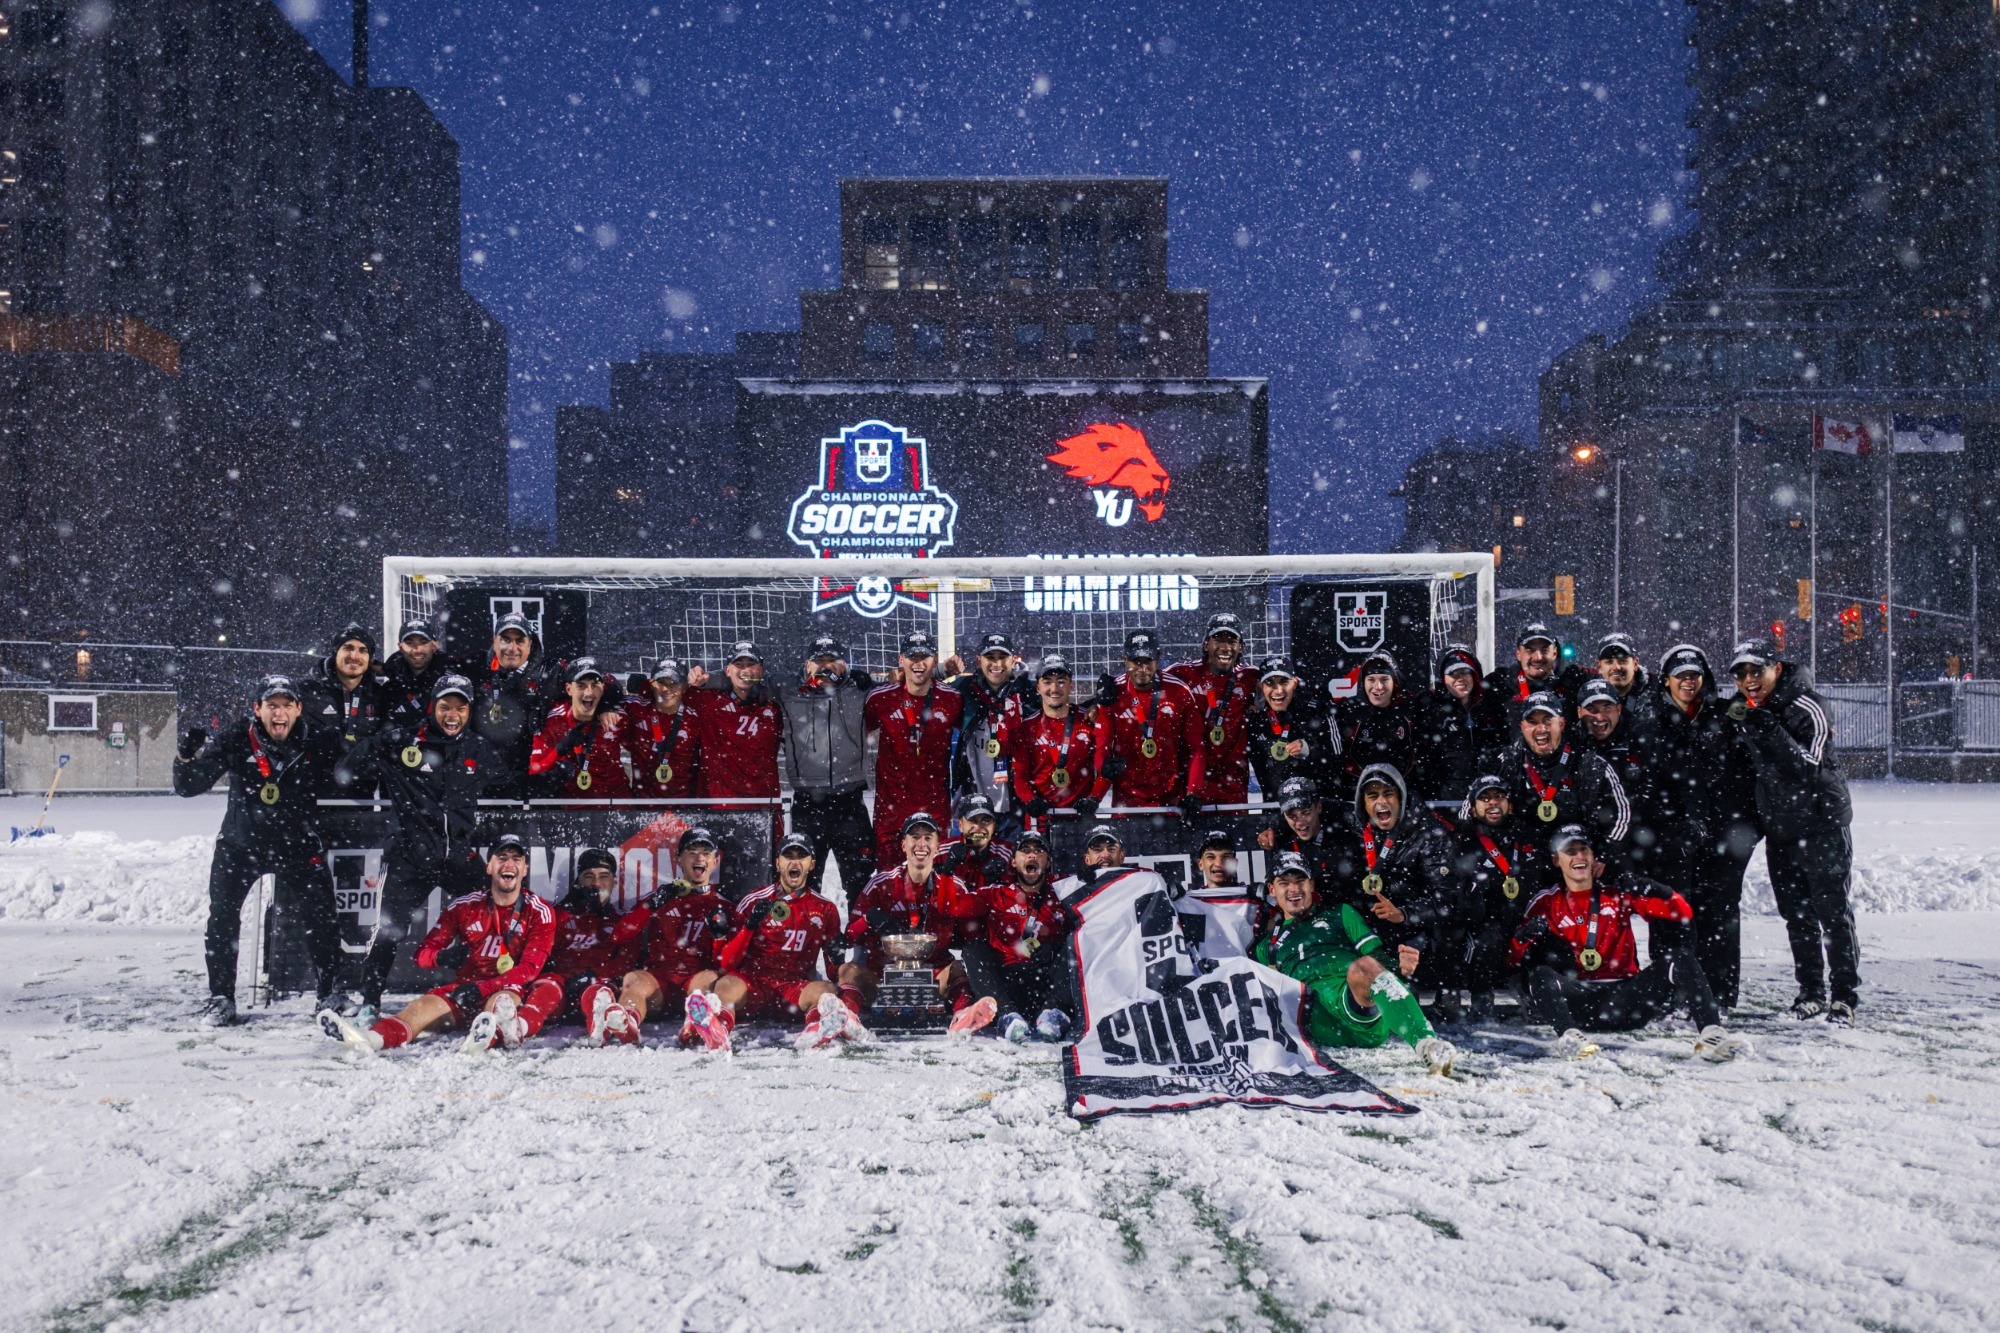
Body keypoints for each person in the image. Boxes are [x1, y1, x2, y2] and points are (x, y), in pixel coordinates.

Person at [176, 673, 340, 1025]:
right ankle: (221, 998)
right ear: (257, 709)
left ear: (298, 709)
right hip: (241, 845)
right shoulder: (237, 737)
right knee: (221, 919)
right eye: (271, 706)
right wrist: (185, 755)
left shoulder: (319, 740)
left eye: (286, 706)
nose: (278, 714)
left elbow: (358, 772)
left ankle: (329, 995)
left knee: (322, 916)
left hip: (296, 845)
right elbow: (188, 786)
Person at [350, 673, 511, 1020]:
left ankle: (504, 990)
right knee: (389, 931)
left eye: (460, 708)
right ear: (432, 708)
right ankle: (369, 1003)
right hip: (411, 858)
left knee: (499, 919)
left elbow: (513, 783)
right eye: (444, 707)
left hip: (458, 857)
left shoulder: (478, 748)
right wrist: (377, 742)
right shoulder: (406, 744)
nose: (452, 715)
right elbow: (347, 769)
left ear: (470, 711)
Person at [1510, 824, 1745, 1061]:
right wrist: (1525, 936)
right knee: (1540, 974)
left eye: (1584, 850)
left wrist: (1657, 889)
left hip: (1628, 998)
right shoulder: (1546, 900)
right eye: (1570, 852)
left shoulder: (1618, 892)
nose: (1579, 857)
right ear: (1556, 860)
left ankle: (1712, 1035)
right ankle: (1569, 1038)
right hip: (1580, 1001)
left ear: (1593, 857)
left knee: (1681, 956)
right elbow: (1512, 958)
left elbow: (1682, 913)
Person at [318, 834, 558, 1056]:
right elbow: (422, 954)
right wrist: (443, 957)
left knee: (500, 1006)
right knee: (418, 1009)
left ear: (525, 869)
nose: (508, 864)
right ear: (489, 867)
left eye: (516, 859)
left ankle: (488, 1035)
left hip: (506, 988)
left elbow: (528, 970)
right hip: (464, 990)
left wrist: (483, 989)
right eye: (501, 858)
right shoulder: (463, 906)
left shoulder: (539, 911)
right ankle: (368, 1040)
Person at [1729, 637, 1859, 1023]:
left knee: (1833, 912)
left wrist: (1770, 731)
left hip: (1822, 824)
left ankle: (1844, 996)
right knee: (1797, 916)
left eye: (1757, 670)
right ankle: (1811, 993)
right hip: (1782, 829)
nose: (1750, 680)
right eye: (1741, 674)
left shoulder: (1809, 705)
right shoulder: (1748, 709)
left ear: (1777, 668)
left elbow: (1809, 767)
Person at [1252, 851, 1457, 1075]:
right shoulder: (1266, 946)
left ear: (1311, 884)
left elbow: (1376, 958)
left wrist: (1398, 966)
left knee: (1364, 966)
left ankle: (1428, 1045)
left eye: (1300, 881)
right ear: (1272, 890)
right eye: (1284, 883)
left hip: (1356, 1009)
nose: (1293, 889)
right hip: (1316, 1023)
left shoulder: (1340, 913)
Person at [680, 833, 858, 1052]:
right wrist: (750, 926)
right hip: (752, 984)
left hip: (793, 988)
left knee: (826, 990)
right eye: (788, 856)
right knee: (725, 984)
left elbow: (831, 971)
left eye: (801, 857)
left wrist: (837, 955)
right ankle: (718, 1030)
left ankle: (815, 1030)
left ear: (811, 864)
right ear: (778, 863)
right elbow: (726, 963)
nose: (794, 862)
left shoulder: (825, 909)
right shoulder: (754, 900)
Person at [1651, 643, 1757, 1008]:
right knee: (1671, 916)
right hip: (1671, 838)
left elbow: (1748, 774)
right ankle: (1670, 992)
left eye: (1695, 675)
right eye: (1681, 676)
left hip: (1723, 836)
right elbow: (1648, 785)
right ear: (1666, 680)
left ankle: (1720, 994)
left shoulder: (1728, 714)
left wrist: (1741, 829)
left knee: (1720, 916)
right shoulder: (1651, 720)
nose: (1688, 682)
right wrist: (1670, 827)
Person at [593, 826, 736, 1045]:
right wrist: (649, 907)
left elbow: (728, 966)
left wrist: (719, 938)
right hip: (658, 984)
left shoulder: (724, 906)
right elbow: (619, 935)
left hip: (696, 981)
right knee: (634, 979)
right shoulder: (659, 897)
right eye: (692, 852)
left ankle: (694, 1023)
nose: (699, 858)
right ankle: (627, 1022)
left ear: (715, 861)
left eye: (706, 853)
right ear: (679, 859)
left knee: (709, 979)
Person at [940, 827, 1078, 1043]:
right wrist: (948, 872)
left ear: (1048, 861)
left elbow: (1100, 901)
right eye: (1025, 850)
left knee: (1076, 943)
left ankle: (1054, 1014)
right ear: (1013, 862)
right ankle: (1007, 1017)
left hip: (1046, 986)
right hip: (1007, 986)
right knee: (973, 948)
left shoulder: (1064, 891)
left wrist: (1093, 873)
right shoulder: (996, 894)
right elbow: (952, 906)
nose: (1032, 855)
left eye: (1038, 850)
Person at [1339, 763, 1460, 1010]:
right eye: (1373, 796)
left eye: (1388, 794)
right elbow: (1306, 807)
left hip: (1415, 928)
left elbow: (1447, 900)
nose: (1381, 802)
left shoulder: (1429, 832)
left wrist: (1404, 914)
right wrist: (1275, 828)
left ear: (1401, 798)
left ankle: (1441, 993)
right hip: (1369, 928)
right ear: (1362, 803)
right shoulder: (1351, 825)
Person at [509, 848, 651, 1046]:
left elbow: (624, 963)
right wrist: (570, 908)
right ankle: (518, 1028)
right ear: (578, 882)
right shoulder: (559, 915)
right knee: (547, 987)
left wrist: (591, 975)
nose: (596, 883)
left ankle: (598, 1030)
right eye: (588, 876)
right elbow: (540, 949)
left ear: (614, 882)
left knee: (598, 992)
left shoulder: (622, 921)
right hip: (558, 988)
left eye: (604, 876)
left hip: (596, 983)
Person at [846, 812, 973, 1021]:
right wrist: (868, 919)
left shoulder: (953, 886)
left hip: (934, 976)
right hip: (883, 976)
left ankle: (963, 1017)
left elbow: (971, 936)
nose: (921, 844)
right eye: (914, 837)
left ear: (938, 846)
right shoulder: (880, 884)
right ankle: (847, 1019)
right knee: (849, 971)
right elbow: (849, 936)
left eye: (927, 838)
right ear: (904, 845)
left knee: (958, 968)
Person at [1485, 692, 1633, 865]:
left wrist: (1603, 856)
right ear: (1522, 726)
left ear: (1561, 723)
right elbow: (1472, 808)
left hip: (1579, 862)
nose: (1541, 729)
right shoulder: (1505, 762)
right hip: (1526, 864)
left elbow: (1623, 815)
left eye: (1548, 720)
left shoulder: (1589, 763)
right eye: (1532, 722)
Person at [778, 635, 876, 893]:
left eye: (831, 660)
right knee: (804, 885)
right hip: (808, 805)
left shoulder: (861, 689)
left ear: (844, 664)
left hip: (850, 802)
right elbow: (745, 679)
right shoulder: (787, 690)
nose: (825, 666)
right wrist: (702, 680)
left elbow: (901, 680)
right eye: (818, 661)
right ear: (807, 665)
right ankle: (810, 933)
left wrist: (944, 670)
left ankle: (858, 934)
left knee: (861, 883)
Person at [1449, 773, 1551, 1020]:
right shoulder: (1462, 842)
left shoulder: (1529, 836)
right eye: (1485, 798)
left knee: (1548, 930)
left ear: (1510, 805)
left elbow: (1545, 884)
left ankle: (1536, 992)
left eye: (1499, 797)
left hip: (1524, 915)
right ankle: (1481, 996)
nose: (1493, 803)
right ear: (1473, 809)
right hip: (1483, 923)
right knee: (1485, 939)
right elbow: (1454, 898)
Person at [864, 630, 965, 869]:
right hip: (891, 811)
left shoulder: (952, 699)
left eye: (925, 657)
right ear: (901, 660)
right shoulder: (880, 698)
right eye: (912, 657)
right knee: (889, 884)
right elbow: (854, 736)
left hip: (935, 808)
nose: (918, 663)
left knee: (935, 882)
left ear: (935, 660)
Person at [685, 639, 785, 845]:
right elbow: (658, 692)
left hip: (763, 810)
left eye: (751, 664)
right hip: (718, 810)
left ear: (761, 670)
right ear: (727, 670)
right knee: (716, 874)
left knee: (767, 874)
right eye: (739, 665)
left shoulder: (776, 707)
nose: (745, 670)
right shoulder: (708, 701)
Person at [1092, 629, 1204, 811]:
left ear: (1158, 658)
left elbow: (1196, 748)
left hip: (1170, 800)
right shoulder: (1112, 694)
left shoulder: (1179, 692)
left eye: (1148, 661)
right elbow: (1103, 746)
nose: (1142, 669)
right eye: (1136, 662)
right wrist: (1101, 773)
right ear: (1125, 659)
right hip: (1126, 801)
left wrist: (1193, 794)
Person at [1574, 677, 1670, 883]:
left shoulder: (1639, 743)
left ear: (1618, 709)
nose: (1599, 716)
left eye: (1606, 707)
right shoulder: (1569, 745)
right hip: (1578, 851)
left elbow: (1644, 804)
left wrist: (1608, 851)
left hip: (1632, 851)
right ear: (1579, 712)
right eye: (1591, 708)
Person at [1166, 611, 1260, 811]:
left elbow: (1287, 685)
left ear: (1240, 647)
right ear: (1206, 645)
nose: (1225, 647)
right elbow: (1140, 685)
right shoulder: (1182, 673)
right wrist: (1097, 701)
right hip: (1189, 786)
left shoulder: (1251, 677)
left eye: (1232, 640)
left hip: (1233, 786)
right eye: (1218, 639)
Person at [945, 631, 1032, 836]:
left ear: (1013, 660)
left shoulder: (1028, 692)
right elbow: (923, 691)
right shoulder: (964, 689)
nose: (997, 664)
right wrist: (940, 671)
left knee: (1011, 861)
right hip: (973, 798)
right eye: (990, 658)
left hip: (1016, 800)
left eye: (1002, 657)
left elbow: (1063, 709)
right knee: (973, 861)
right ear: (978, 660)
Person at [1007, 654, 1104, 830]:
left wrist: (1094, 798)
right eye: (1047, 682)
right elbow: (1019, 777)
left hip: (1081, 819)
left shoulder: (1088, 720)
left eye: (1061, 681)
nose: (1054, 688)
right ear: (1038, 687)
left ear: (1071, 685)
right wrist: (1031, 800)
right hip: (1041, 823)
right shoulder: (1027, 727)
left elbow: (1104, 766)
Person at [298, 622, 390, 791]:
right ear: (335, 652)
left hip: (362, 799)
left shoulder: (379, 696)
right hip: (312, 798)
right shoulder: (306, 691)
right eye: (348, 648)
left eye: (363, 650)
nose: (355, 656)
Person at [1416, 645, 1509, 808]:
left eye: (1465, 672)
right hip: (1445, 802)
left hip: (1486, 802)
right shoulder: (1430, 710)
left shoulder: (1491, 706)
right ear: (1442, 678)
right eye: (1453, 673)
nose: (1461, 679)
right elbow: (1424, 762)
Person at [472, 611, 554, 796]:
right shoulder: (476, 668)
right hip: (485, 778)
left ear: (530, 643)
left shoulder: (550, 671)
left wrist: (606, 706)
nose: (512, 647)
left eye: (519, 641)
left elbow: (599, 680)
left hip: (532, 779)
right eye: (505, 640)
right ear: (494, 641)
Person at [529, 657, 633, 797]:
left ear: (602, 689)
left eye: (594, 685)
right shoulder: (552, 720)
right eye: (581, 686)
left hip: (617, 807)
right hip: (573, 810)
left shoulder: (617, 717)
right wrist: (561, 749)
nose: (589, 692)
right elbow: (535, 772)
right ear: (568, 689)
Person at [1329, 650, 1423, 795]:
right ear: (1363, 682)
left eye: (1384, 679)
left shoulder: (1411, 707)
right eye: (1371, 680)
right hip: (1357, 794)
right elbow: (1335, 757)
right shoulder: (1349, 712)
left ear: (1395, 681)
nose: (1378, 687)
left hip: (1401, 793)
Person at [1256, 774, 1361, 890]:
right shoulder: (1280, 837)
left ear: (1318, 807)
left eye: (1305, 813)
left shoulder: (1344, 830)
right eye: (1292, 815)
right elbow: (1273, 884)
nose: (1300, 822)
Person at [1245, 654, 1328, 801]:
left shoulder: (1316, 711)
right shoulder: (1255, 719)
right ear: (1260, 686)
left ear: (1295, 683)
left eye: (1284, 682)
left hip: (1313, 810)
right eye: (1270, 683)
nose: (1278, 691)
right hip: (1273, 809)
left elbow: (1337, 760)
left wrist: (1310, 752)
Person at [1485, 622, 1593, 724]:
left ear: (1554, 653)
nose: (1537, 657)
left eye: (1544, 650)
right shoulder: (1500, 684)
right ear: (1518, 654)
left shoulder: (1575, 680)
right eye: (1529, 650)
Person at [626, 657, 699, 799]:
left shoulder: (696, 717)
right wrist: (611, 693)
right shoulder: (636, 709)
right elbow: (605, 696)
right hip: (644, 807)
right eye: (662, 682)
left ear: (684, 686)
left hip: (685, 807)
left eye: (674, 683)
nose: (667, 689)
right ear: (652, 684)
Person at [380, 616, 459, 729]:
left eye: (423, 642)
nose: (417, 649)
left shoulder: (452, 683)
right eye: (409, 643)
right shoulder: (390, 689)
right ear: (400, 647)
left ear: (434, 646)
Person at [939, 793, 1014, 891]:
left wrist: (1006, 879)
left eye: (985, 821)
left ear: (993, 826)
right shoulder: (941, 853)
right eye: (973, 820)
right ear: (960, 825)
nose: (978, 827)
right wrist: (946, 871)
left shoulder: (1009, 855)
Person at [1595, 632, 1650, 703]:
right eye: (1609, 662)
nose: (1616, 667)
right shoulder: (1586, 698)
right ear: (1599, 667)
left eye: (1622, 661)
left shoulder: (1656, 699)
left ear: (1635, 664)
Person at [1194, 828, 1246, 892]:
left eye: (1226, 857)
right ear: (1200, 864)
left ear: (1235, 863)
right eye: (1211, 857)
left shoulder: (1254, 898)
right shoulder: (1189, 900)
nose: (1219, 863)